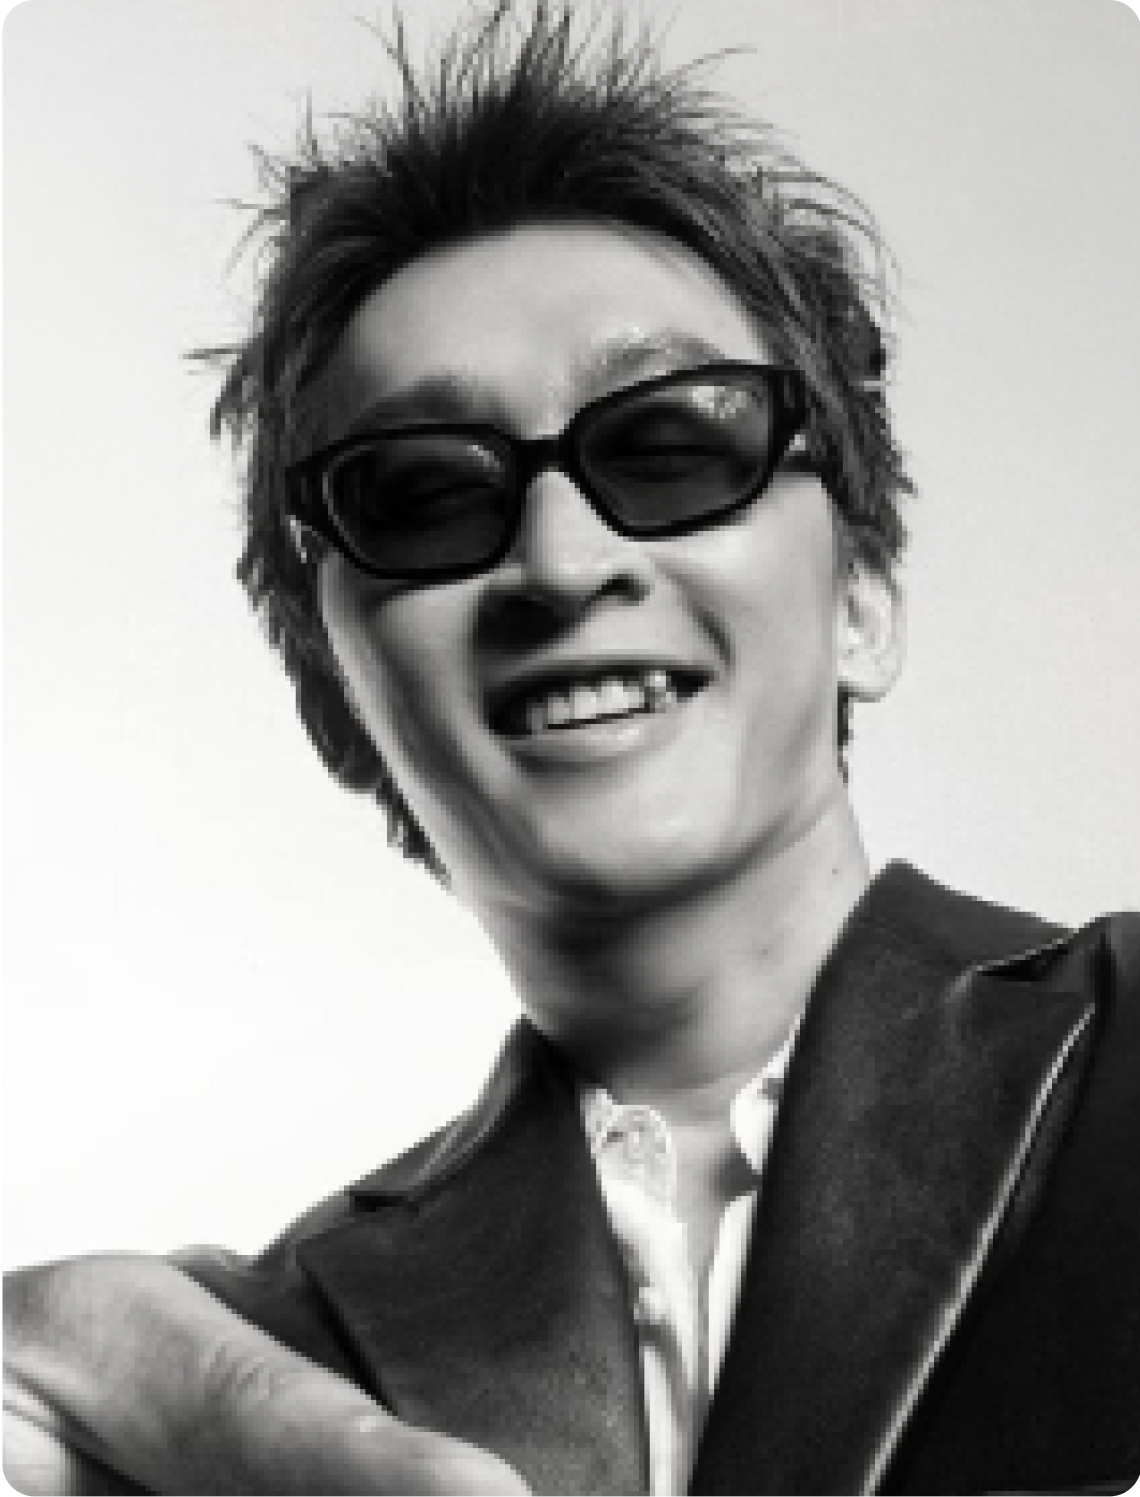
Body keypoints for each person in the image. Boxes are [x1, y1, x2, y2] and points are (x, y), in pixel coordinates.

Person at [4, 4, 1138, 1495]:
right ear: (340, 706)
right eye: (422, 495)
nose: (559, 559)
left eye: (669, 446)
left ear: (861, 602)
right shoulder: (246, 1363)